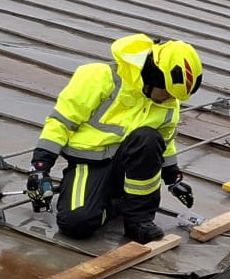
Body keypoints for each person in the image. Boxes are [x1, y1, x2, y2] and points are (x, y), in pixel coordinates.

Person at [31, 34, 203, 245]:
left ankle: (138, 221)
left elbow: (165, 143)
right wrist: (41, 167)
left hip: (129, 169)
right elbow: (61, 122)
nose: (170, 98)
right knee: (75, 223)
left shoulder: (168, 104)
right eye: (167, 91)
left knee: (148, 138)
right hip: (89, 165)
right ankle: (116, 204)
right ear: (152, 75)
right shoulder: (100, 77)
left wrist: (174, 178)